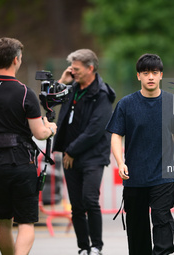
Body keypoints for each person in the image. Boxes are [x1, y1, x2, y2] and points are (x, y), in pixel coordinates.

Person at [0, 37, 57, 255]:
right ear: (16, 60)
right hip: (21, 161)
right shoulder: (24, 92)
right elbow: (39, 132)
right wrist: (51, 128)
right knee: (26, 221)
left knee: (2, 221)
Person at [106, 53, 174, 255]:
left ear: (161, 76)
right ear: (138, 76)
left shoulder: (173, 103)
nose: (150, 76)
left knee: (162, 220)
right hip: (135, 176)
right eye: (145, 72)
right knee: (137, 228)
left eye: (155, 72)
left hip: (162, 175)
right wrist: (120, 162)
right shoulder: (126, 104)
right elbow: (116, 136)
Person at [53, 49, 115, 255]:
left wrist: (71, 150)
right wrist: (62, 81)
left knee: (90, 200)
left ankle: (96, 246)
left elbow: (95, 130)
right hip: (71, 157)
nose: (73, 72)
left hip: (92, 157)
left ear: (91, 68)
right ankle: (83, 247)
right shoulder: (71, 88)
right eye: (72, 69)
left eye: (77, 69)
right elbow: (49, 102)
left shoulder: (102, 94)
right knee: (77, 206)